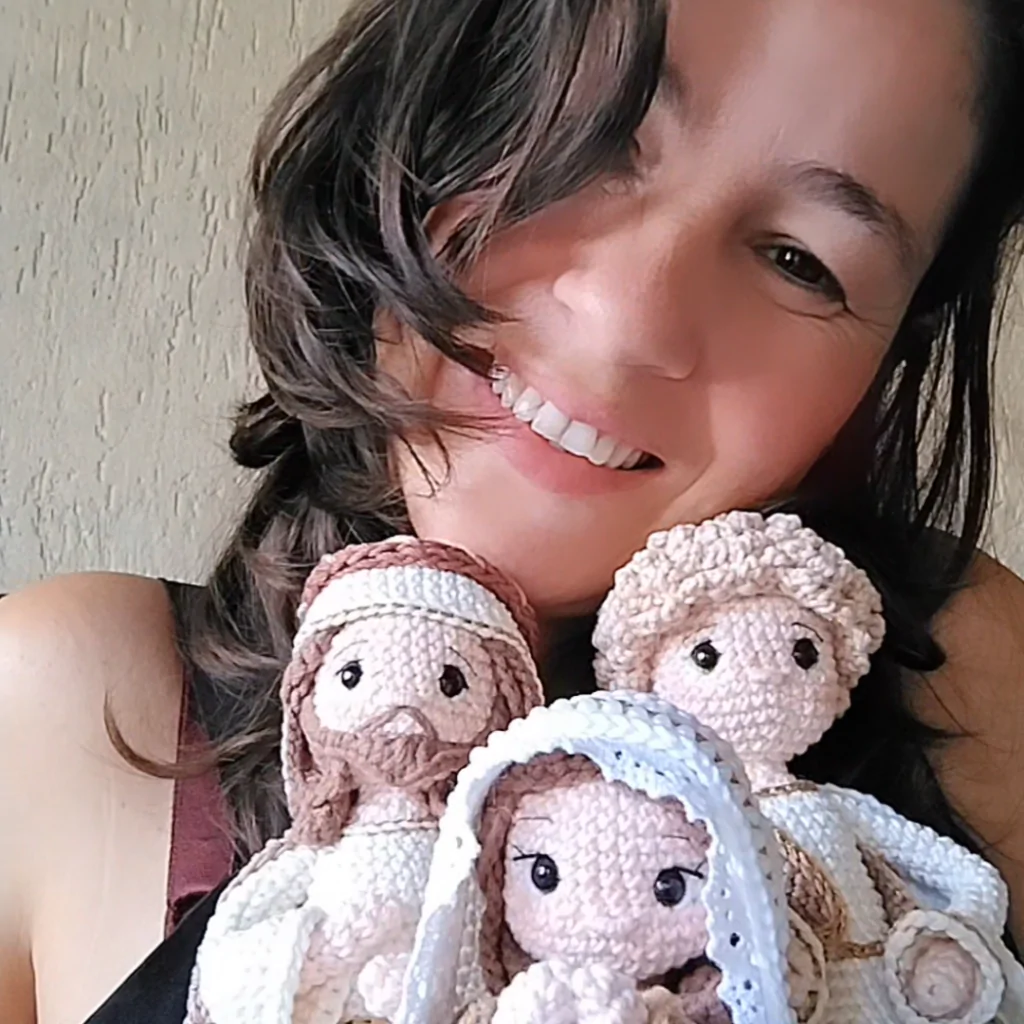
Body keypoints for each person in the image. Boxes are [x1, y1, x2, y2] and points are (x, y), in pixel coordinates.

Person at [1, 0, 1023, 1021]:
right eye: (590, 135)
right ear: (423, 102)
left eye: (800, 260)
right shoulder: (61, 700)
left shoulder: (966, 685)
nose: (629, 318)